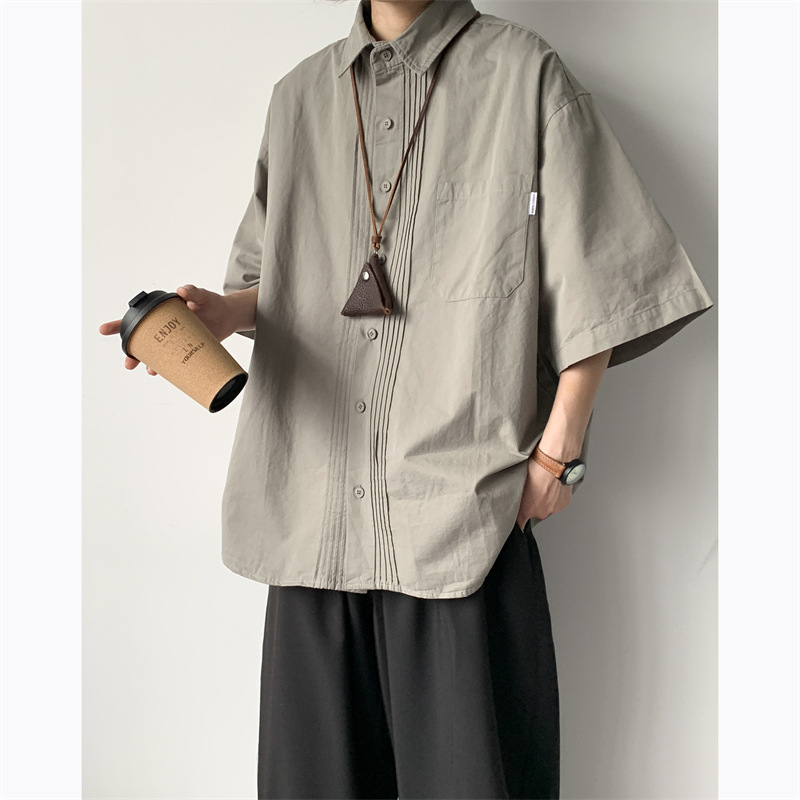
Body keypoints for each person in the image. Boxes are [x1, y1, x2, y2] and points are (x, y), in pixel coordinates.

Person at [100, 0, 714, 796]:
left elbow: (605, 281)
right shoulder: (300, 97)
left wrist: (557, 457)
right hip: (311, 520)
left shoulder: (525, 76)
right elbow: (277, 281)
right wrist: (221, 313)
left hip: (462, 521)